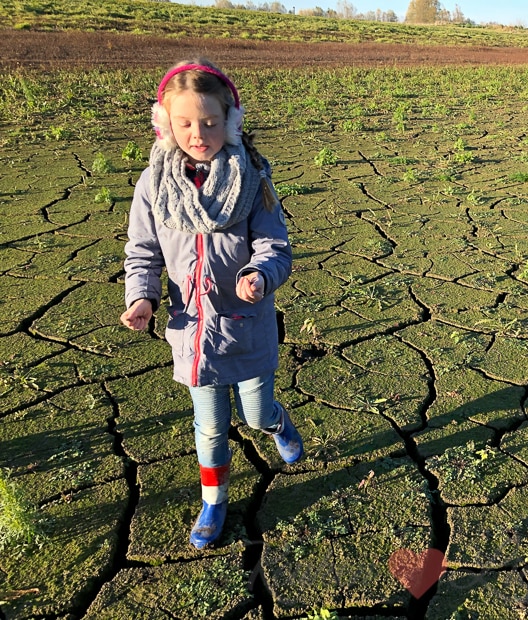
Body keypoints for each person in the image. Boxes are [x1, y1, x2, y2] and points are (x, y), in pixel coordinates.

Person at [120, 59, 303, 550]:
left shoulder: (253, 179)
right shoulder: (152, 185)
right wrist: (142, 296)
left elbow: (275, 248)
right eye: (185, 123)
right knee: (210, 428)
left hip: (246, 325)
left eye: (210, 122)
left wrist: (259, 276)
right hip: (192, 331)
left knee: (257, 413)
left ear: (231, 122)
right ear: (166, 124)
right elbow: (143, 250)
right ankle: (215, 499)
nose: (198, 133)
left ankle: (278, 423)